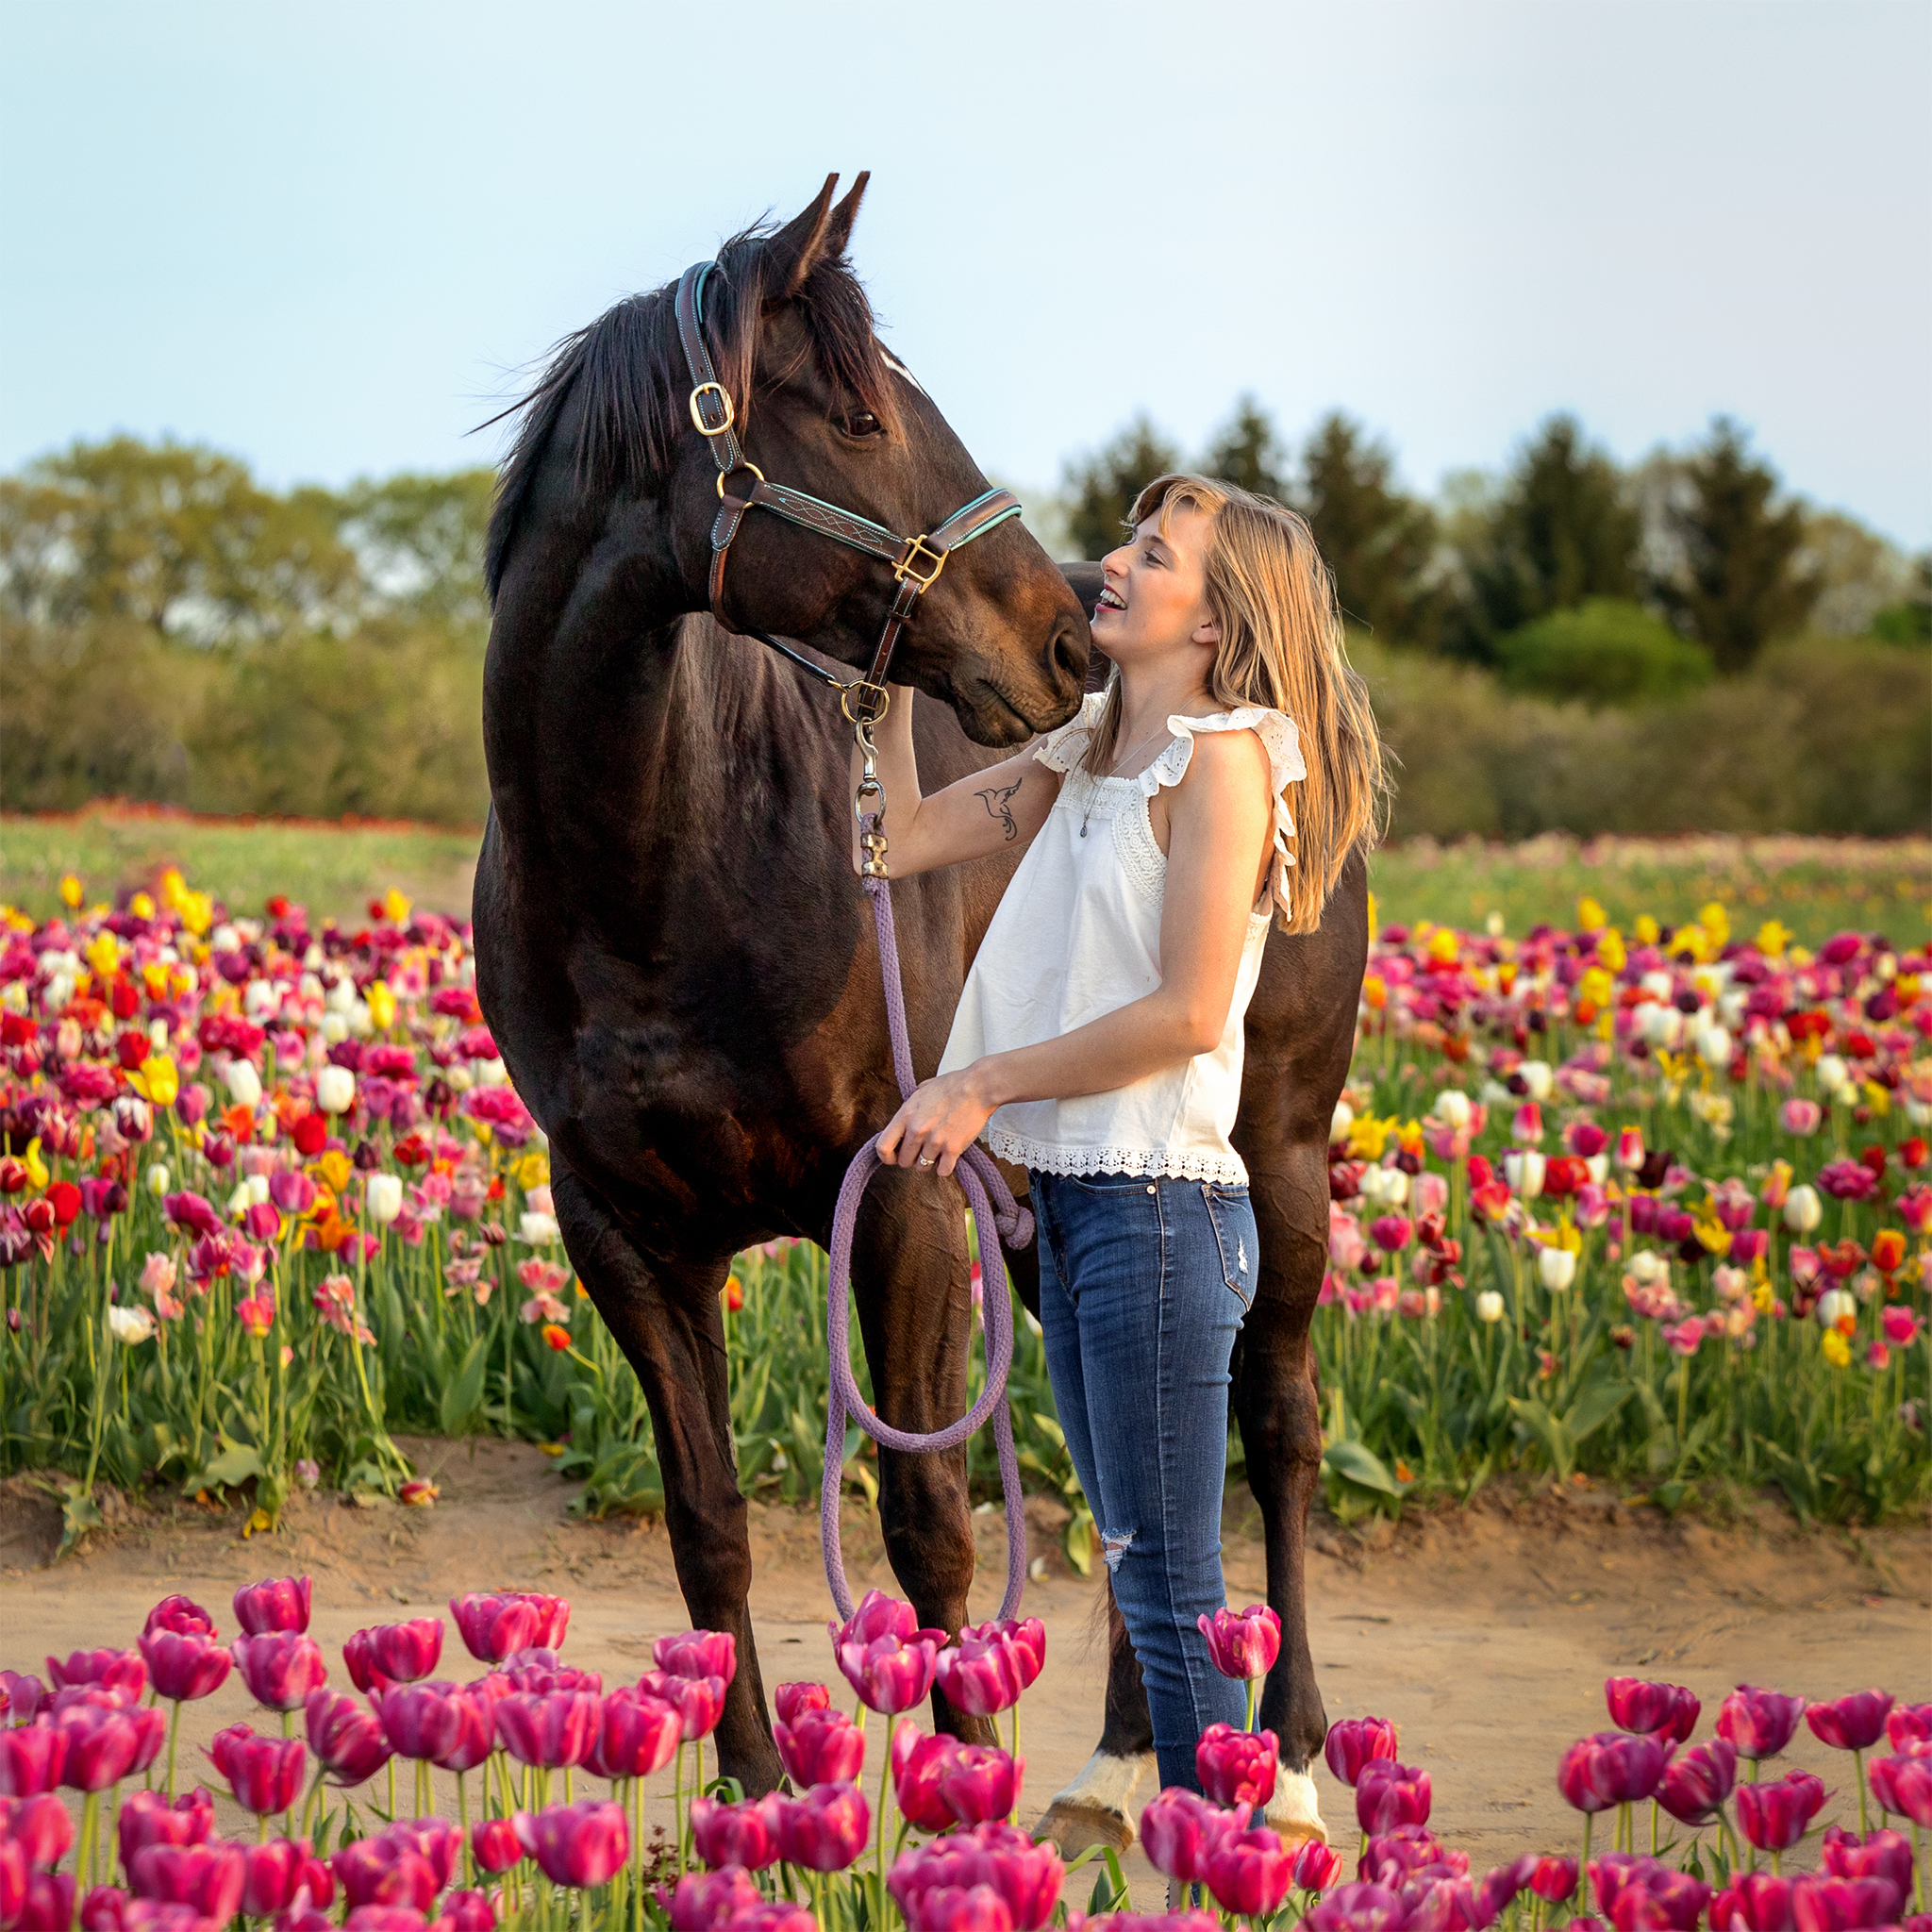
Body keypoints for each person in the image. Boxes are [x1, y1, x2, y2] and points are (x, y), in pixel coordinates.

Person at [852, 473, 1384, 1793]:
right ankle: (1235, 1841)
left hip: (1161, 1212)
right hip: (1089, 1205)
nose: (1111, 563)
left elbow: (1192, 1012)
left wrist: (980, 1085)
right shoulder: (1086, 749)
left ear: (1215, 623)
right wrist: (888, 681)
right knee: (1146, 1562)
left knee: (1170, 1581)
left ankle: (1232, 1851)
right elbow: (903, 840)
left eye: (1153, 556)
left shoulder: (1229, 760)